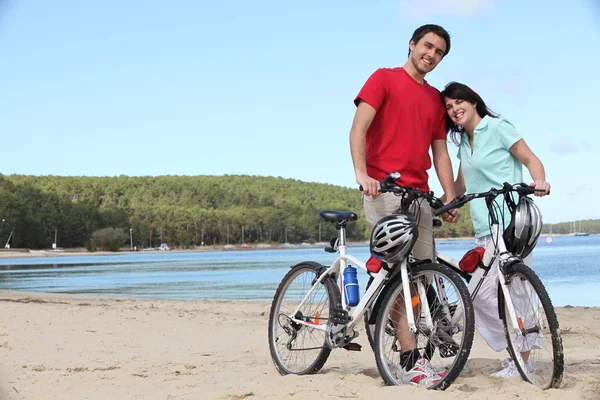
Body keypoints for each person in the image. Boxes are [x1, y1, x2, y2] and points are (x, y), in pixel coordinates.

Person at [349, 24, 459, 386]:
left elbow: (440, 151)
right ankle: (411, 359)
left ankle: (410, 354)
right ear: (412, 45)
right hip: (384, 189)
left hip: (421, 195)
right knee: (400, 274)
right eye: (427, 46)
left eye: (439, 51)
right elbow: (358, 128)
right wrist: (363, 174)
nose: (431, 54)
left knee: (421, 275)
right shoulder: (383, 79)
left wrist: (448, 194)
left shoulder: (433, 100)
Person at [440, 81, 551, 378]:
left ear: (473, 101)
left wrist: (539, 181)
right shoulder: (464, 142)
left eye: (458, 103)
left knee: (516, 291)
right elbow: (462, 185)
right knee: (477, 292)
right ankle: (515, 347)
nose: (454, 110)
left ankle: (522, 359)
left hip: (512, 223)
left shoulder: (499, 127)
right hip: (484, 226)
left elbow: (532, 160)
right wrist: (444, 203)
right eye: (449, 108)